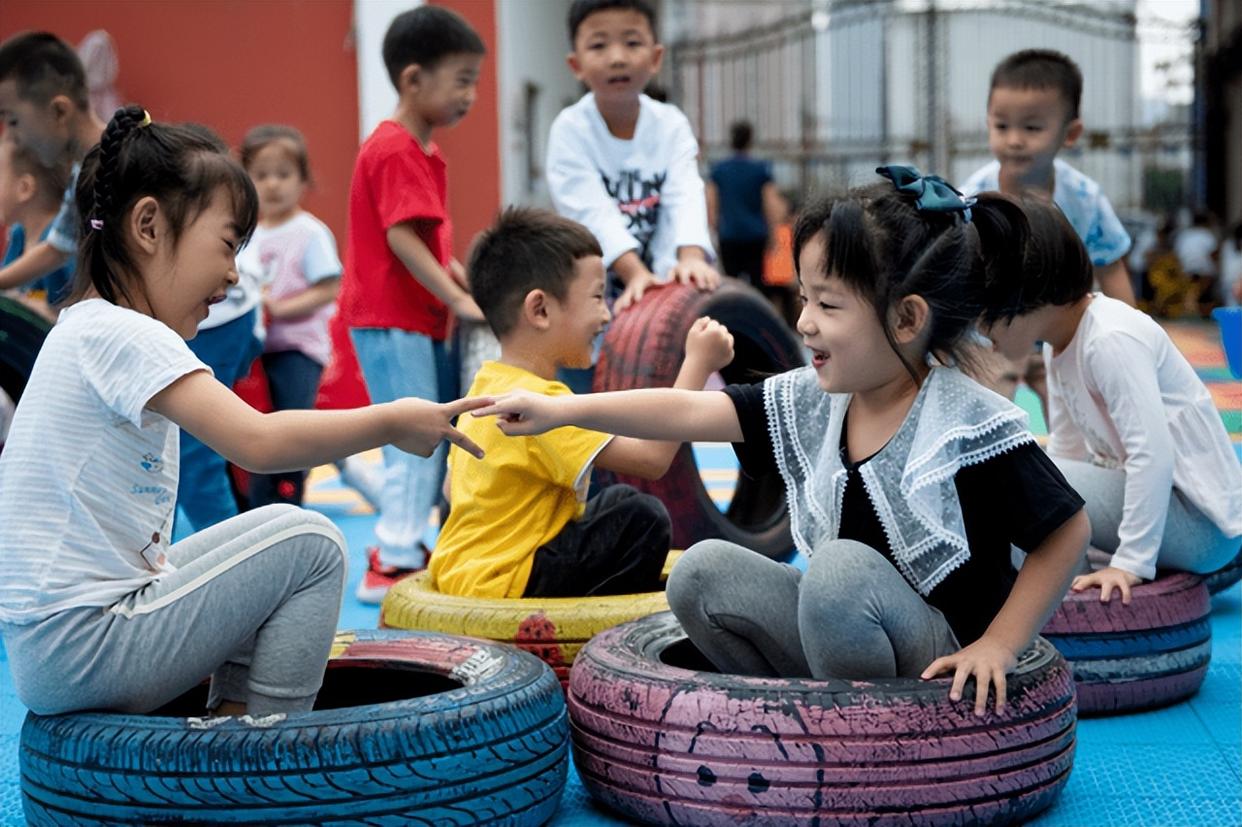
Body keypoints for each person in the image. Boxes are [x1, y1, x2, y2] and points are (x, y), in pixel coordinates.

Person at [475, 167, 1090, 715]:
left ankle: (863, 733)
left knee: (838, 573)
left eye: (828, 303)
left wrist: (1000, 645)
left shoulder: (965, 420)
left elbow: (1067, 532)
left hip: (938, 655)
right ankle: (797, 721)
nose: (804, 323)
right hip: (844, 632)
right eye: (802, 298)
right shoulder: (815, 400)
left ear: (907, 319)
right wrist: (563, 411)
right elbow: (687, 411)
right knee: (700, 571)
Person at [0, 106, 488, 717]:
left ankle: (230, 724)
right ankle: (261, 746)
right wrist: (391, 419)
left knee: (258, 541)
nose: (234, 276)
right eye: (228, 246)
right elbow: (257, 440)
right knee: (311, 542)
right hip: (85, 646)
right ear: (148, 226)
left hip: (57, 649)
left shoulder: (83, 328)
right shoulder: (125, 332)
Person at [430, 207, 733, 599]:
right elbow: (652, 459)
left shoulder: (485, 386)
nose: (606, 315)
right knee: (641, 519)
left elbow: (453, 490)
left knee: (614, 499)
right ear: (540, 310)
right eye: (596, 297)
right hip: (505, 586)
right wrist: (697, 362)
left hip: (461, 573)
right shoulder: (543, 403)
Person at [978, 197, 1242, 605]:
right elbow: (1068, 454)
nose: (981, 332)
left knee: (1009, 469)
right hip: (1172, 517)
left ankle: (1046, 592)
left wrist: (1131, 563)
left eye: (985, 315)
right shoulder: (1058, 344)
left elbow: (1152, 455)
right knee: (1027, 469)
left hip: (1201, 527)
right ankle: (1057, 578)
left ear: (1028, 295)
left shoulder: (1110, 339)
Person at [335, 6, 487, 603]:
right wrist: (457, 297)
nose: (470, 95)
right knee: (416, 434)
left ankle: (398, 542)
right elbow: (400, 239)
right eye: (462, 80)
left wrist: (465, 287)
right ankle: (393, 556)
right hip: (392, 316)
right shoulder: (397, 148)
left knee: (422, 432)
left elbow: (426, 240)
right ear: (413, 79)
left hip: (408, 319)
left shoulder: (421, 150)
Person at [959, 49, 1133, 412]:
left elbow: (1111, 268)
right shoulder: (973, 200)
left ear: (1070, 133)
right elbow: (955, 272)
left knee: (1088, 426)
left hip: (1064, 340)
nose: (1015, 139)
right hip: (989, 342)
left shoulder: (1084, 199)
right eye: (1001, 126)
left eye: (1032, 127)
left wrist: (1129, 335)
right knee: (980, 424)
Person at [547, 0, 721, 315]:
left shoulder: (671, 124)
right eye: (599, 45)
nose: (617, 58)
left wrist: (691, 258)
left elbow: (685, 194)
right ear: (576, 65)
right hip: (593, 294)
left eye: (632, 42)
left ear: (656, 57)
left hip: (667, 287)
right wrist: (635, 274)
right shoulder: (569, 130)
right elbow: (591, 212)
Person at [237, 124, 341, 509]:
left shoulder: (309, 233)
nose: (273, 185)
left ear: (303, 180)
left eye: (283, 175)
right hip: (253, 348)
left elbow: (328, 288)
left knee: (293, 423)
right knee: (254, 429)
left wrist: (279, 309)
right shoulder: (246, 234)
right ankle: (256, 502)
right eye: (261, 175)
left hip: (297, 347)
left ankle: (290, 496)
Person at [0, 31, 105, 295]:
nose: (14, 138)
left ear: (59, 111)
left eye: (13, 121)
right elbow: (57, 248)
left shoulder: (131, 162)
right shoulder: (82, 172)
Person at [707, 120, 787, 287]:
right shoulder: (760, 169)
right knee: (758, 284)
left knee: (731, 284)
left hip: (728, 235)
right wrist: (773, 234)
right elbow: (770, 205)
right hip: (755, 235)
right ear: (750, 140)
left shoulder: (719, 170)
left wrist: (715, 228)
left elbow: (711, 204)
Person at [0, 136, 74, 315]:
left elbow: (85, 310)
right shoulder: (19, 236)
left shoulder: (66, 240)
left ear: (24, 188)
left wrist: (50, 313)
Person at [1174, 211, 1219, 316]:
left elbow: (1177, 254)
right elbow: (1213, 255)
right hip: (1204, 271)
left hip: (1186, 270)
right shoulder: (1207, 235)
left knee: (1190, 294)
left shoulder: (1184, 235)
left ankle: (1190, 312)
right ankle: (1204, 313)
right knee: (1204, 295)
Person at [1221, 222, 1242, 309]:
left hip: (1229, 281)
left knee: (1231, 307)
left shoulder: (1227, 244)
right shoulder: (1228, 245)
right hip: (1234, 280)